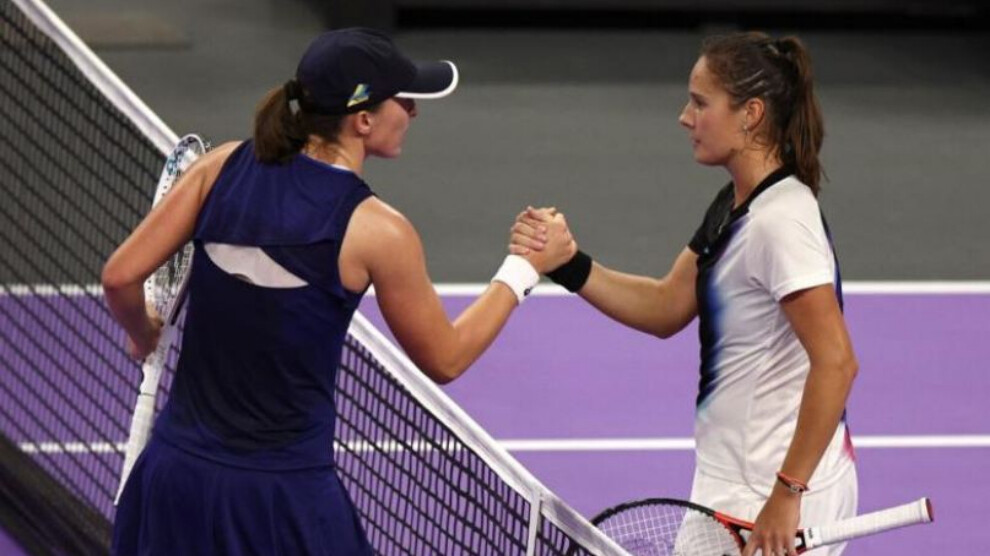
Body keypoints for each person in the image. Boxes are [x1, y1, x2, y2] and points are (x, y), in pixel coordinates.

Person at [102, 28, 573, 555]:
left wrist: (142, 330)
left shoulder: (220, 167)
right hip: (283, 502)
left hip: (173, 480)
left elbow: (120, 277)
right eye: (404, 100)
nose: (414, 111)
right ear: (362, 120)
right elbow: (447, 357)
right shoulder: (378, 231)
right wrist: (524, 268)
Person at [512, 32, 858, 556]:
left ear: (751, 114)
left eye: (700, 103)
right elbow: (666, 305)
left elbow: (836, 362)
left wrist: (787, 495)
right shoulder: (737, 203)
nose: (684, 117)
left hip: (770, 493)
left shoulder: (782, 223)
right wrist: (568, 264)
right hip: (736, 482)